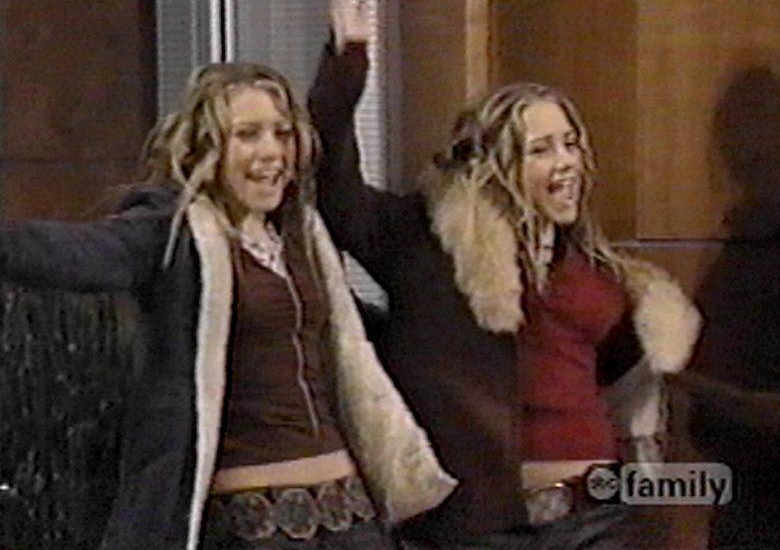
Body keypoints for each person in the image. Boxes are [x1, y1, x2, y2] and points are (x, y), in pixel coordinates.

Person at [307, 0, 702, 549]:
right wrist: (346, 62)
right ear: (492, 163)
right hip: (479, 527)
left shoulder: (595, 269)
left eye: (570, 145)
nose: (565, 163)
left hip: (599, 520)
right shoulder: (424, 241)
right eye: (541, 149)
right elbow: (332, 188)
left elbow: (627, 395)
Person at [0, 62, 456, 550]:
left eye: (282, 133)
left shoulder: (302, 235)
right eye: (248, 134)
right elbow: (79, 254)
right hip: (251, 527)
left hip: (351, 517)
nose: (271, 152)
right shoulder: (177, 233)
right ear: (208, 147)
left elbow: (350, 345)